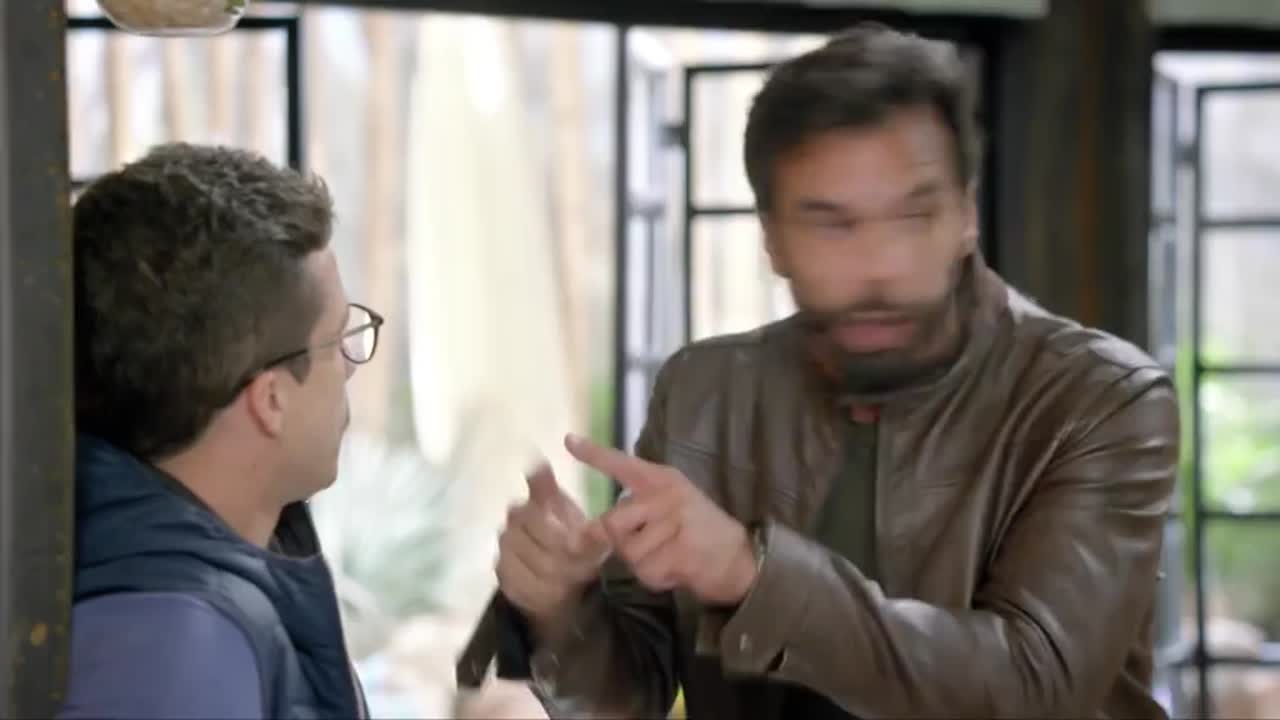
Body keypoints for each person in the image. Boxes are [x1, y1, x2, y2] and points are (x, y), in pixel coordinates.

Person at [462, 23, 1178, 720]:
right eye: (832, 224)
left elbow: (1035, 688)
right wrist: (562, 609)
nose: (879, 266)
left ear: (965, 215)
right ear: (772, 239)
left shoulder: (1100, 398)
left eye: (913, 216)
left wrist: (752, 573)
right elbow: (624, 699)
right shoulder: (706, 394)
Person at [60, 143, 381, 719]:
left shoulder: (224, 569)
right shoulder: (175, 655)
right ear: (270, 400)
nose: (351, 367)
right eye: (338, 341)